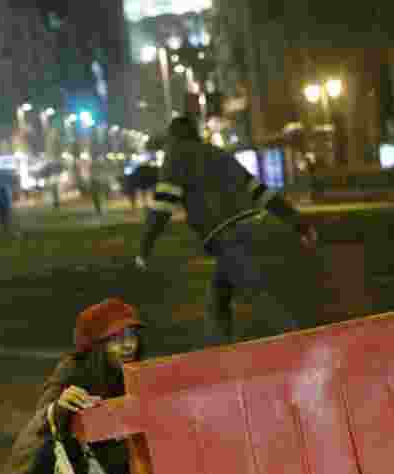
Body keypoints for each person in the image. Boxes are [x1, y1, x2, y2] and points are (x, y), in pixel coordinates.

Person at [136, 116, 318, 345]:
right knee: (218, 299)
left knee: (258, 296)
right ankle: (219, 350)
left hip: (225, 235)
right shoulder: (218, 153)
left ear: (172, 138)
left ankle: (299, 345)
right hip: (252, 226)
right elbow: (261, 192)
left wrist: (144, 248)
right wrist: (299, 224)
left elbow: (162, 207)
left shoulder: (176, 157)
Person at [10, 298, 143, 474]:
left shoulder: (134, 371)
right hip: (43, 472)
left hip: (96, 463)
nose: (128, 345)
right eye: (115, 340)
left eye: (132, 336)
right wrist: (62, 406)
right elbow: (44, 417)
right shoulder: (73, 369)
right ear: (95, 345)